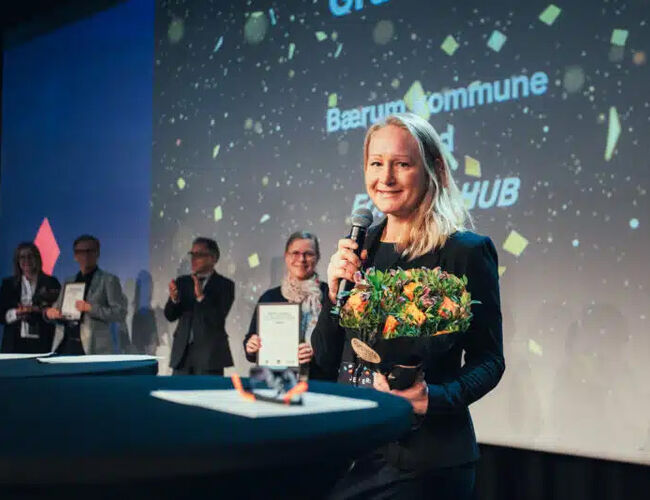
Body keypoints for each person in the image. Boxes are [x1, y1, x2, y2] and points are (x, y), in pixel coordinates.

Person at [312, 113, 505, 499]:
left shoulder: (463, 251)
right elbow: (326, 357)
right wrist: (333, 294)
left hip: (423, 462)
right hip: (354, 447)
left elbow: (489, 360)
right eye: (376, 163)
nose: (385, 178)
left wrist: (434, 398)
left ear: (434, 169)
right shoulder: (359, 247)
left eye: (401, 164)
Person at [243, 231, 334, 380]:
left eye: (308, 254)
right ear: (286, 256)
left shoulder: (330, 295)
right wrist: (251, 346)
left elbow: (339, 342)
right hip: (278, 381)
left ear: (317, 257)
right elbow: (251, 341)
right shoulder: (269, 297)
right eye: (295, 253)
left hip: (320, 380)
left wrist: (316, 350)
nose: (301, 259)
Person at [46, 235, 127, 354]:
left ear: (97, 253)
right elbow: (57, 308)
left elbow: (120, 313)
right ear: (75, 256)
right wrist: (50, 313)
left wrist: (91, 308)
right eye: (81, 252)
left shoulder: (108, 280)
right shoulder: (69, 281)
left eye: (90, 251)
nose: (85, 255)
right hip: (67, 343)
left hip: (93, 347)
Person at [165, 237, 234, 375]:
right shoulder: (183, 282)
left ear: (213, 258)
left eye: (199, 255)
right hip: (182, 356)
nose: (194, 259)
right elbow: (170, 316)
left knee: (207, 389)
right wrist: (174, 299)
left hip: (210, 358)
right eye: (192, 254)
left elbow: (217, 319)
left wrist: (201, 297)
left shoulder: (225, 285)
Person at [0, 243, 61, 353]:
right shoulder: (9, 284)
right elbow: (1, 314)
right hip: (14, 344)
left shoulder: (51, 282)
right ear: (17, 261)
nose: (26, 260)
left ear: (37, 258)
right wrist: (16, 313)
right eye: (22, 257)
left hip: (44, 341)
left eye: (30, 256)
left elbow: (59, 311)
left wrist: (38, 310)